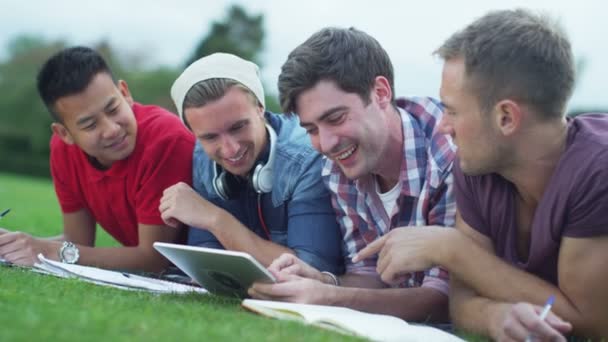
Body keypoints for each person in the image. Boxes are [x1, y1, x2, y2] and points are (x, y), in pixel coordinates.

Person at [355, 9, 608, 340]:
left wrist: (452, 249)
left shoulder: (596, 170)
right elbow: (461, 300)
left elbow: (590, 321)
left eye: (452, 110)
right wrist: (495, 316)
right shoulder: (477, 166)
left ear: (506, 117)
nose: (443, 126)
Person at [248, 28, 456, 322]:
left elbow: (443, 298)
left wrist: (331, 299)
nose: (327, 143)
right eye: (311, 130)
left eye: (336, 119)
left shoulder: (447, 155)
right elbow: (369, 275)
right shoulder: (337, 168)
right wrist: (322, 281)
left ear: (381, 93)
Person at [0, 46, 195, 272]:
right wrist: (15, 245)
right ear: (65, 134)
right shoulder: (63, 151)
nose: (111, 129)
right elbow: (78, 242)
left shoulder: (166, 140)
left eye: (113, 109)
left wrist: (47, 250)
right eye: (90, 125)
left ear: (125, 93)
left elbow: (154, 257)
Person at [159, 53, 343, 273]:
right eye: (210, 137)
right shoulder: (202, 154)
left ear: (260, 108)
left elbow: (312, 268)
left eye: (238, 127)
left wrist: (216, 220)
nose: (230, 149)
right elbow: (206, 257)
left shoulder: (306, 158)